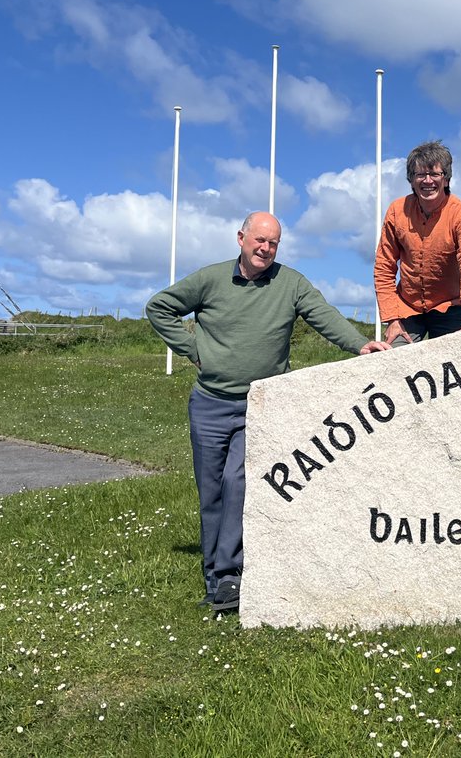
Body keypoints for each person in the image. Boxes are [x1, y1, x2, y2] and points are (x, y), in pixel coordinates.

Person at [146, 211, 389, 612]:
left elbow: (324, 315)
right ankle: (214, 577)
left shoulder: (290, 282)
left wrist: (361, 344)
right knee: (210, 491)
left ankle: (229, 576)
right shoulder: (209, 279)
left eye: (273, 242)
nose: (265, 248)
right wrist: (193, 349)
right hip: (209, 403)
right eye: (259, 240)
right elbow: (160, 307)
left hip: (261, 404)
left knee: (237, 482)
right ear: (241, 238)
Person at [374, 140, 461, 344]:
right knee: (392, 358)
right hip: (406, 309)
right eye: (420, 175)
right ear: (411, 180)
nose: (427, 181)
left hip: (451, 306)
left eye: (435, 174)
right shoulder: (396, 211)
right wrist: (391, 319)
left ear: (446, 179)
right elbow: (384, 267)